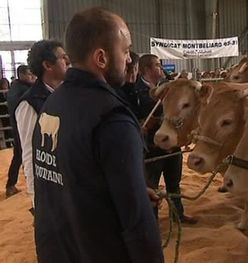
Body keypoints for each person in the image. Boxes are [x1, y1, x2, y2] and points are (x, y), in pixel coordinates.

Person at [32, 7, 164, 263]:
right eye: (125, 51)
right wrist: (132, 194)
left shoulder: (52, 103)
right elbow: (137, 222)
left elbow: (67, 179)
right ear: (101, 58)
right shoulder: (113, 119)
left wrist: (124, 186)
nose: (128, 60)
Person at [135, 54, 197, 224]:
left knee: (174, 183)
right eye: (157, 65)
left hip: (173, 144)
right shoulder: (136, 90)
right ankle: (152, 222)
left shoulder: (169, 86)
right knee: (152, 185)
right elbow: (137, 116)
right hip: (152, 146)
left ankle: (178, 215)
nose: (160, 68)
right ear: (147, 69)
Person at [15, 40, 70, 212]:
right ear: (47, 65)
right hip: (51, 184)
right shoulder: (29, 103)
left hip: (70, 178)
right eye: (63, 58)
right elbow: (30, 152)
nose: (68, 62)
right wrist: (35, 197)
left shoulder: (68, 94)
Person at [5, 65, 35, 198]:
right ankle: (11, 185)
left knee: (20, 155)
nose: (31, 77)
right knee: (21, 155)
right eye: (29, 74)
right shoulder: (22, 90)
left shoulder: (15, 87)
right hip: (21, 128)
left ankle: (12, 184)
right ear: (21, 75)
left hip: (17, 127)